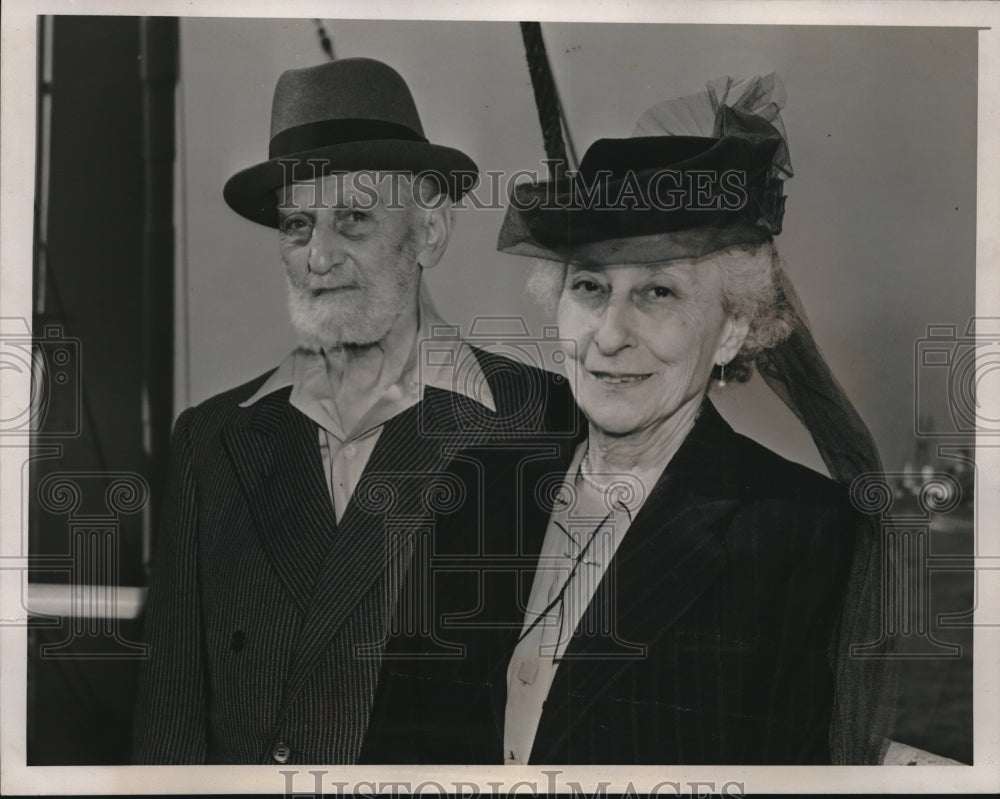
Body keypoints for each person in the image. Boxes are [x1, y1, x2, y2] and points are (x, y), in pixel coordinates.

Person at [440, 74, 893, 765]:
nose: (611, 334)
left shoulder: (796, 533)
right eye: (590, 285)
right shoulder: (476, 486)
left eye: (658, 290)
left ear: (735, 328)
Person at [131, 57, 570, 765]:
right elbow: (168, 727)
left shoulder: (540, 420)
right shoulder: (211, 442)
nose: (319, 256)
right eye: (297, 224)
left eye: (354, 218)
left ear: (429, 231)